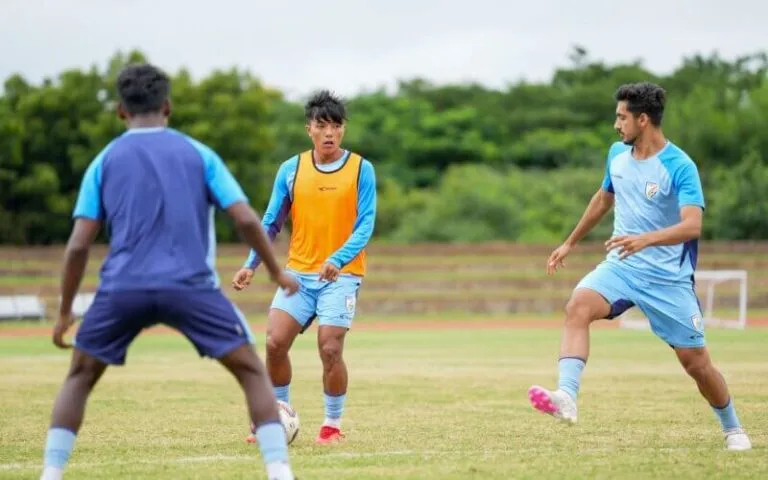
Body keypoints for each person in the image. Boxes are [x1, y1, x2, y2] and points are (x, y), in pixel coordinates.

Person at [41, 63, 300, 480]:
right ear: (168, 107)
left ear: (121, 111)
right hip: (190, 287)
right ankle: (279, 472)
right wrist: (275, 272)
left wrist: (64, 312)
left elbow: (78, 246)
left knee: (79, 377)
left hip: (122, 289)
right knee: (252, 371)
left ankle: (51, 474)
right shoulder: (199, 154)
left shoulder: (104, 162)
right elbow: (246, 219)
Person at [527, 82, 752, 451]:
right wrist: (569, 242)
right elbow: (603, 199)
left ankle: (734, 429)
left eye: (622, 117)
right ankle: (566, 396)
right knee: (578, 305)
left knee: (696, 364)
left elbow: (692, 226)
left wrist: (645, 239)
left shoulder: (679, 166)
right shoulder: (617, 154)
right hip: (621, 268)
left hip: (668, 280)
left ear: (643, 119)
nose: (616, 124)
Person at [232, 90, 377, 445]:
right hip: (298, 274)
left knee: (330, 348)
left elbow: (365, 224)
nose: (329, 133)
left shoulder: (361, 169)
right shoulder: (291, 169)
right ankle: (277, 417)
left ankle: (331, 425)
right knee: (274, 343)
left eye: (336, 126)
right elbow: (271, 222)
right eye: (322, 125)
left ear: (343, 129)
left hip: (342, 275)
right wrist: (251, 264)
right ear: (308, 128)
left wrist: (337, 259)